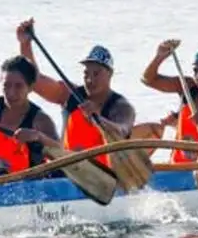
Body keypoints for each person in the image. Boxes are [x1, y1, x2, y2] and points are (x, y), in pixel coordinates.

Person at [16, 18, 137, 168]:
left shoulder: (122, 106)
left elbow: (122, 131)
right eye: (86, 73)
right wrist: (25, 44)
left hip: (102, 173)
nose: (90, 79)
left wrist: (98, 118)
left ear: (110, 74)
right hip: (67, 167)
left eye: (96, 73)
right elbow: (35, 82)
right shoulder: (69, 94)